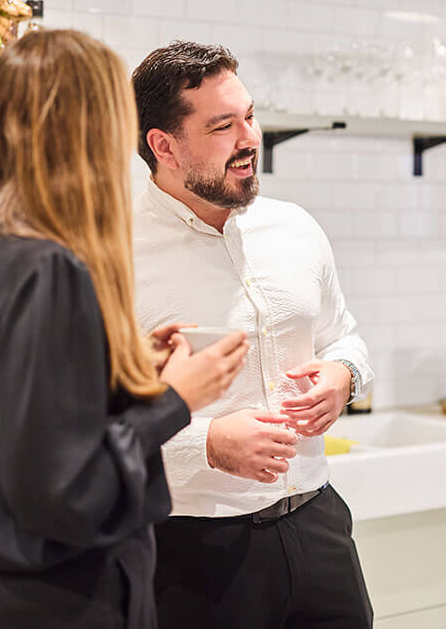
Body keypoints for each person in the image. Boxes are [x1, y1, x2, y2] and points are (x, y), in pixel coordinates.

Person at [0, 30, 250, 629]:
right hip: (59, 604)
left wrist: (117, 366)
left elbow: (36, 425)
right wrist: (178, 398)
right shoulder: (48, 264)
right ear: (91, 130)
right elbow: (65, 491)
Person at [131, 41, 375, 628]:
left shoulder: (295, 227)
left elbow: (345, 337)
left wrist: (345, 376)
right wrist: (206, 443)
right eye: (222, 126)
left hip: (317, 524)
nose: (249, 138)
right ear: (163, 146)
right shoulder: (111, 254)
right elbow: (84, 421)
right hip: (190, 552)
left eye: (249, 115)